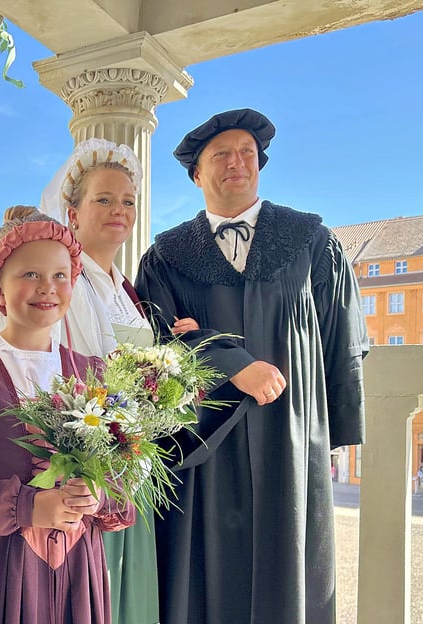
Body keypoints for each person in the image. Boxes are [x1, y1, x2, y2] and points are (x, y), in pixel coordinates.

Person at [135, 109, 369, 623]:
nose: (236, 162)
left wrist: (325, 432)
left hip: (289, 438)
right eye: (220, 154)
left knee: (291, 575)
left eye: (247, 152)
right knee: (203, 575)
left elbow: (342, 339)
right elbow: (153, 342)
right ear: (197, 174)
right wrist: (231, 362)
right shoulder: (166, 256)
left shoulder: (311, 241)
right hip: (203, 443)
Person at [0, 207, 136, 622]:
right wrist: (24, 506)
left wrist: (97, 496)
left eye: (59, 275)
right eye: (29, 275)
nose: (47, 288)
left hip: (79, 566)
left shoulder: (92, 371)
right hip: (2, 563)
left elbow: (121, 471)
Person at [40, 139, 198, 624]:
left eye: (128, 201)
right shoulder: (63, 281)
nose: (120, 211)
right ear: (73, 212)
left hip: (128, 463)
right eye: (103, 199)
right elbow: (53, 375)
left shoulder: (124, 290)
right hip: (87, 463)